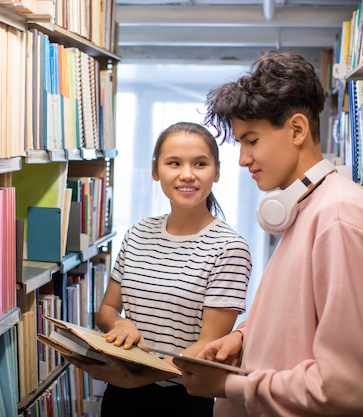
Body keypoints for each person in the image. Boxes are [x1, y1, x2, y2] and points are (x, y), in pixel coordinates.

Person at [174, 51, 363, 417]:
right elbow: (300, 320)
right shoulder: (308, 206)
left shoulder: (338, 218)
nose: (243, 159)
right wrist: (242, 338)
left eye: (251, 140)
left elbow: (353, 386)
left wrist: (230, 385)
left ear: (296, 130)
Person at [67, 121, 253, 417]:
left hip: (182, 399)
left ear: (217, 172)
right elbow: (107, 310)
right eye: (174, 163)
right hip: (120, 394)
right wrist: (121, 324)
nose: (187, 174)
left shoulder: (230, 248)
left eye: (200, 164)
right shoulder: (138, 233)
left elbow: (207, 346)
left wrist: (138, 378)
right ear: (156, 170)